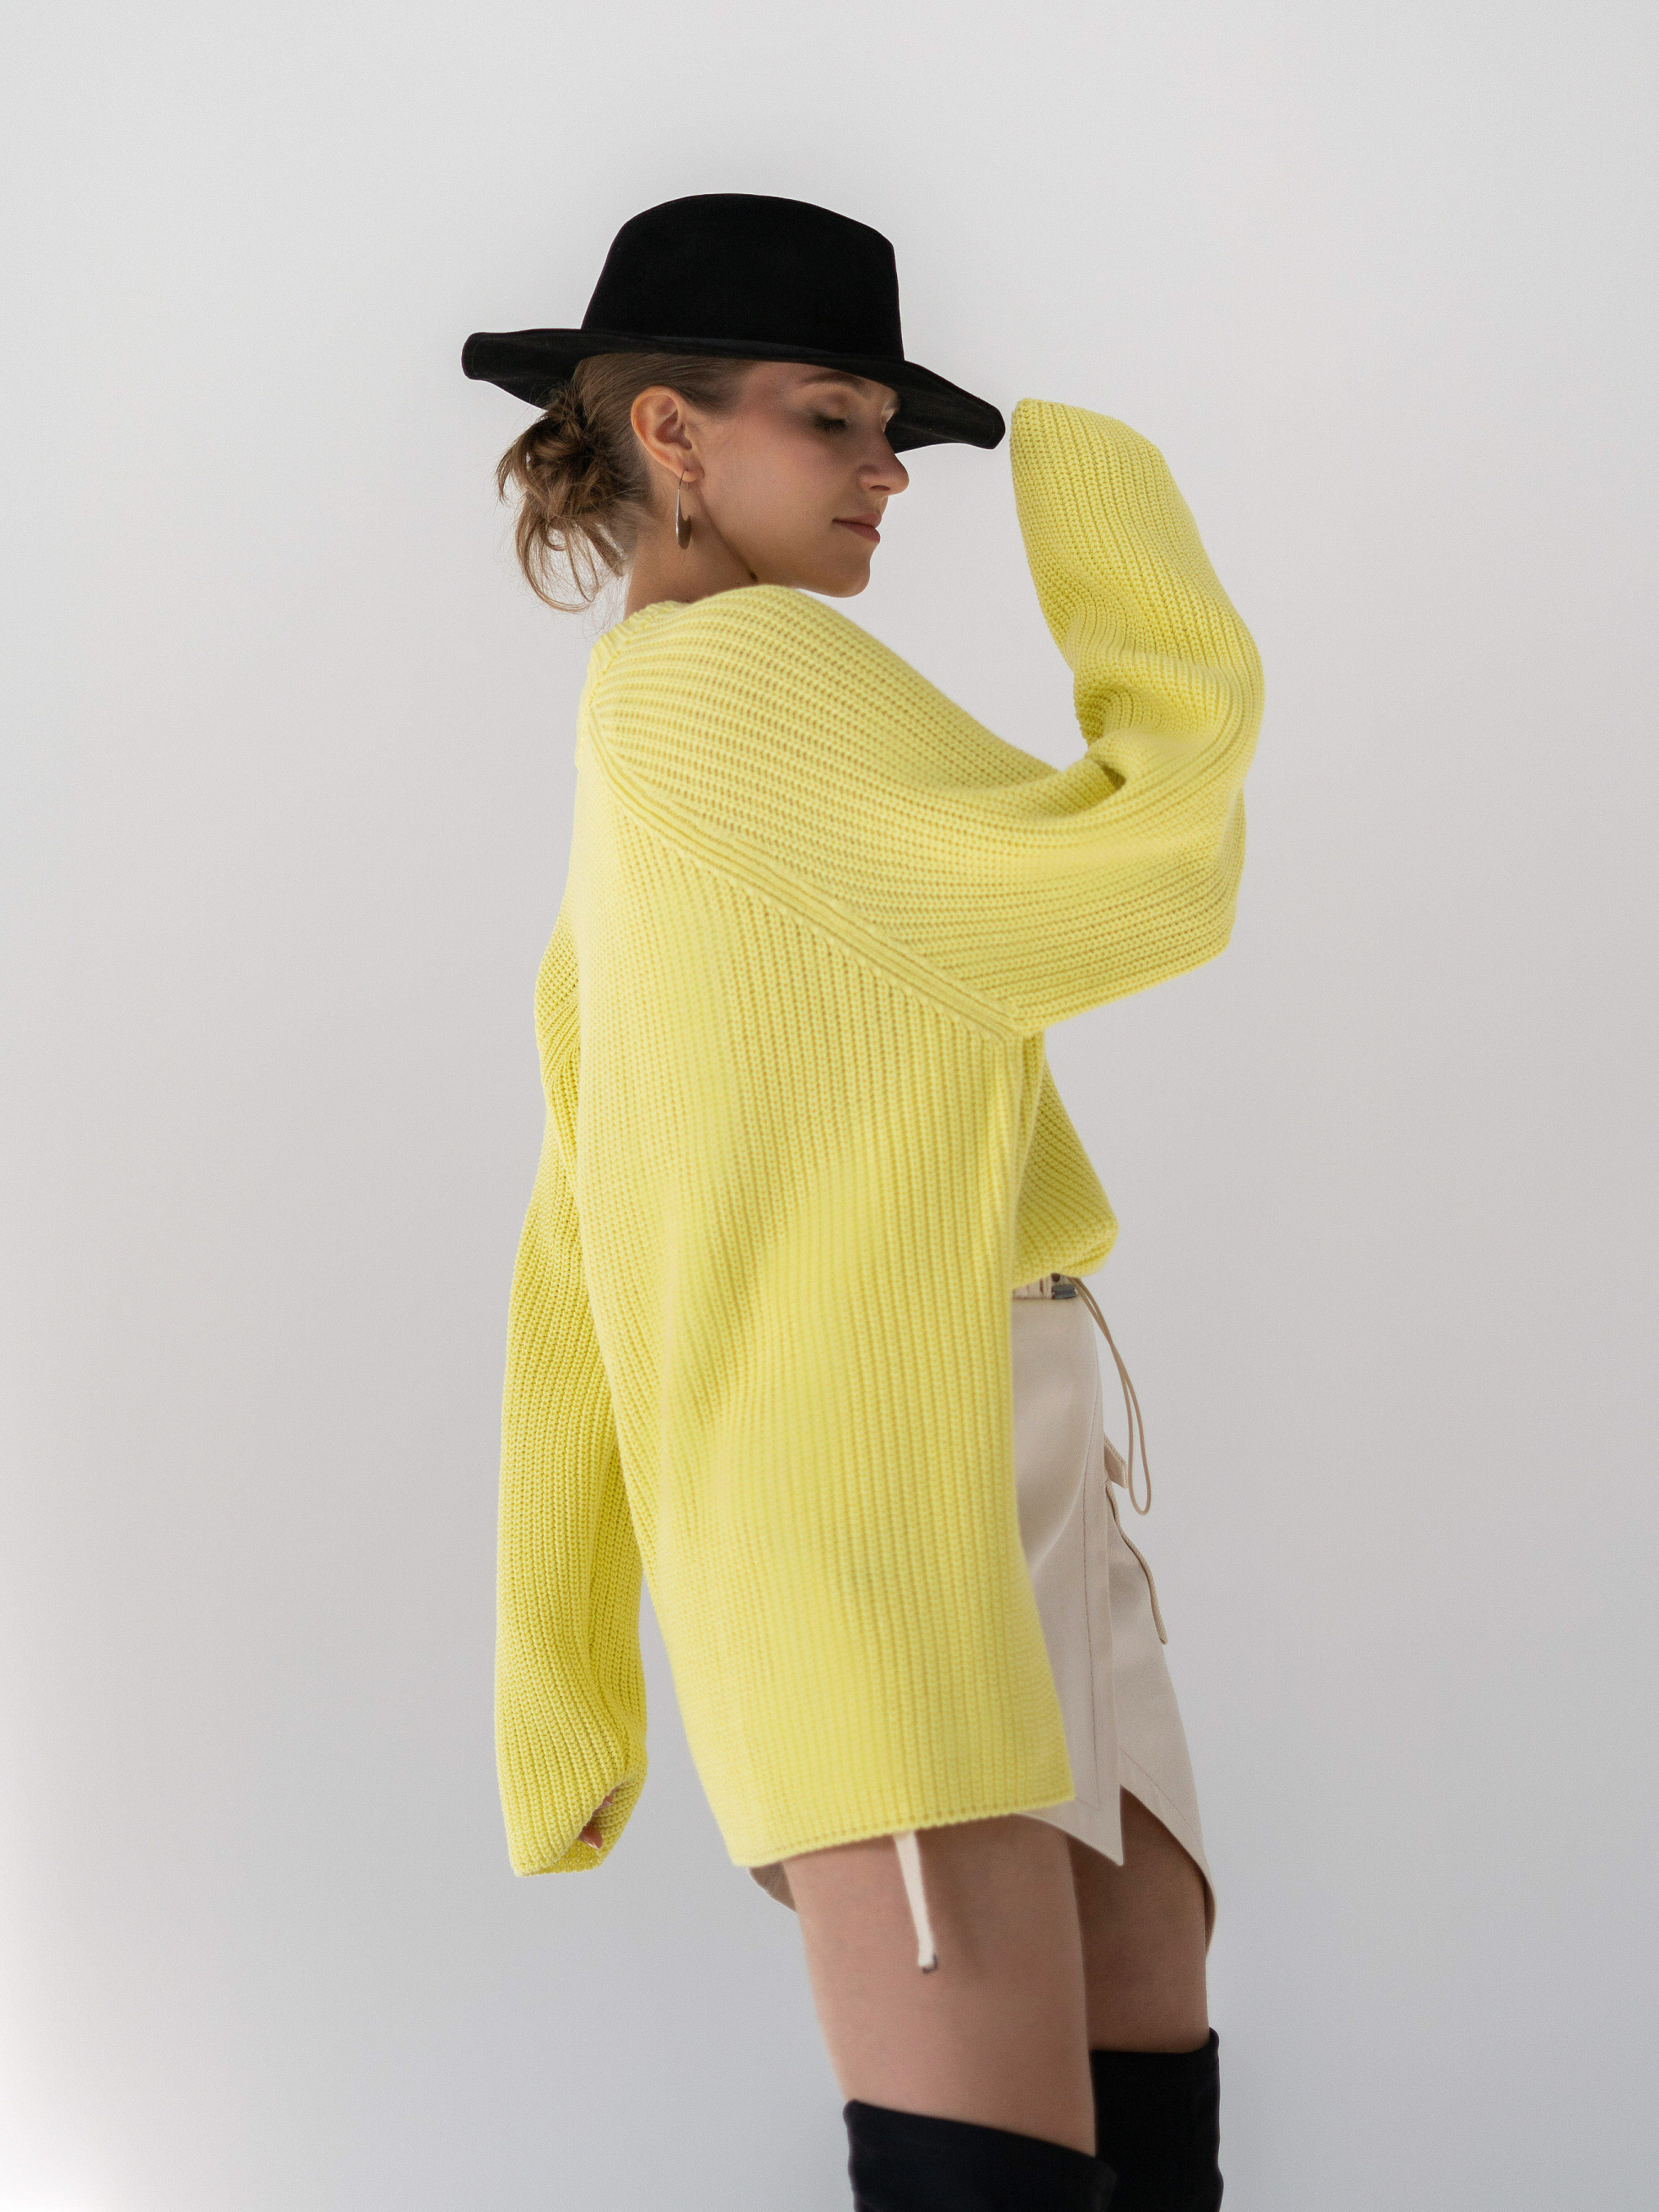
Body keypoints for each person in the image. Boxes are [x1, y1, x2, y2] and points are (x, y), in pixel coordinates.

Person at [463, 192, 1262, 2210]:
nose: (889, 471)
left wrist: (563, 1676)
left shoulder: (659, 719)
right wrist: (1109, 512)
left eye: (889, 430)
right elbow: (1142, 877)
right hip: (867, 1472)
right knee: (994, 2157)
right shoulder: (727, 683)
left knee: (1125, 2066)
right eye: (833, 418)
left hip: (978, 1438)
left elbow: (582, 1213)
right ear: (669, 433)